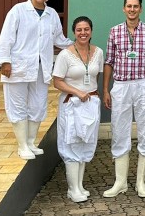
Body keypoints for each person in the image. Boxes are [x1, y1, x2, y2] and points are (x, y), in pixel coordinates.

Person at [0, 0, 72, 160]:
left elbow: (59, 39)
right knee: (17, 105)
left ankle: (31, 142)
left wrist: (77, 45)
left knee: (38, 105)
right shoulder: (18, 10)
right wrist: (5, 61)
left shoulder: (51, 14)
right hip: (18, 66)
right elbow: (6, 36)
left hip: (41, 68)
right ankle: (22, 146)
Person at [102, 0, 145, 198]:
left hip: (143, 85)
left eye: (136, 6)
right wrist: (105, 89)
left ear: (141, 9)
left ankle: (140, 182)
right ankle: (120, 182)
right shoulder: (115, 32)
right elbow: (109, 62)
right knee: (119, 130)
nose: (132, 9)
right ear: (123, 8)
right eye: (129, 6)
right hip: (121, 85)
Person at [52, 16, 104, 203]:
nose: (83, 33)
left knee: (85, 144)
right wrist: (77, 92)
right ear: (74, 32)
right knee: (71, 145)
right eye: (79, 30)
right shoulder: (65, 55)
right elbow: (57, 81)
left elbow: (95, 76)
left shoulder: (98, 52)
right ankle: (73, 189)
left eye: (86, 29)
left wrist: (91, 95)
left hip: (90, 103)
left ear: (91, 31)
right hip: (71, 104)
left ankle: (79, 186)